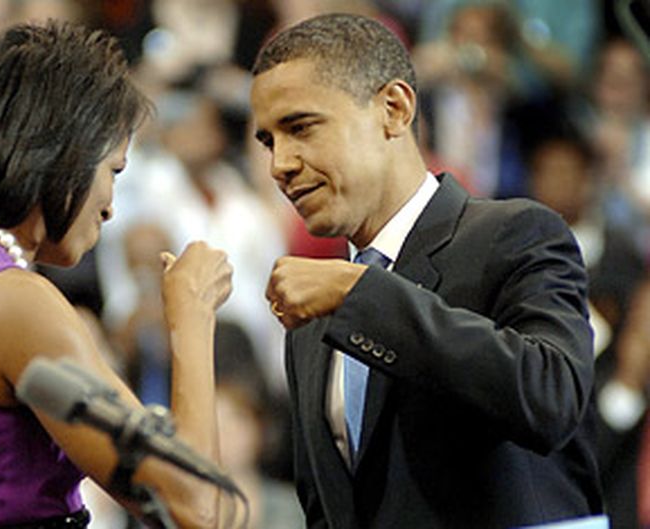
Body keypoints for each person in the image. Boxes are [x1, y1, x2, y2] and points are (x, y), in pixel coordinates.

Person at [0, 21, 234, 529]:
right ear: (64, 153)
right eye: (114, 171)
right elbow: (194, 505)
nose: (110, 209)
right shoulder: (12, 299)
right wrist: (192, 313)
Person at [251, 13, 605, 529]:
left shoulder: (516, 233)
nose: (280, 163)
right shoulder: (314, 317)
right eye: (268, 141)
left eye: (300, 127)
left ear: (394, 109)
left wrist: (363, 295)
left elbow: (549, 396)